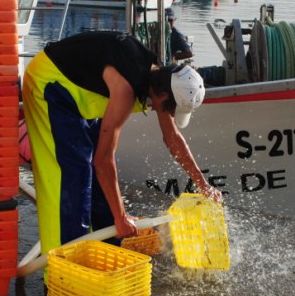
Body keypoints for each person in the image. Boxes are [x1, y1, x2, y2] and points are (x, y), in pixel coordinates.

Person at [22, 31, 220, 259]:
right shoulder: (126, 91)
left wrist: (202, 184)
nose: (169, 114)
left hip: (80, 92)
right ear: (163, 96)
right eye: (171, 109)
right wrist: (121, 217)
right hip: (50, 84)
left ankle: (105, 249)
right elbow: (103, 161)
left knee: (101, 185)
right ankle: (63, 266)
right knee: (74, 176)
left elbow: (172, 138)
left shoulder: (161, 80)